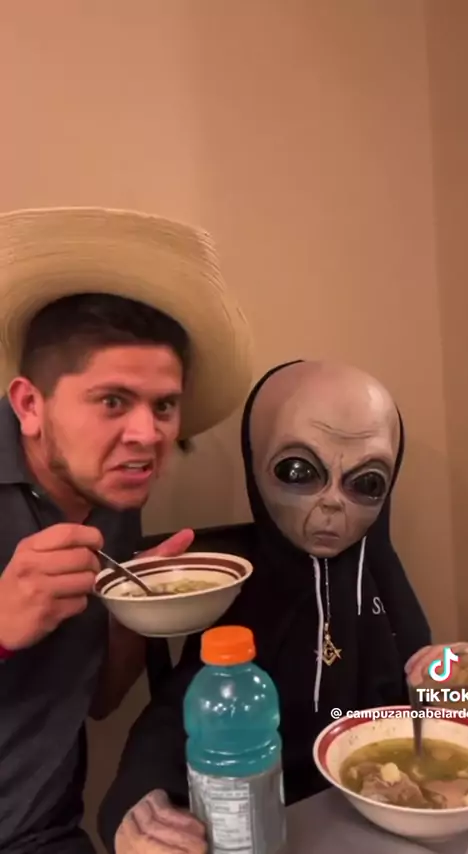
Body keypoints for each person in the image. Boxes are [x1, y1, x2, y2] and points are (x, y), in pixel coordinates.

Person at [98, 359, 431, 854]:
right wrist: (137, 800)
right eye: (299, 472)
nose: (333, 503)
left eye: (366, 483)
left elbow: (431, 704)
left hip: (377, 814)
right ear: (255, 465)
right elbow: (183, 707)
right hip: (266, 823)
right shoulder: (239, 590)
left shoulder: (379, 576)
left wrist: (459, 677)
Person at [0, 206, 253, 854]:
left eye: (163, 405)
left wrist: (137, 610)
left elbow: (101, 702)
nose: (147, 434)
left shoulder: (112, 495)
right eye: (113, 401)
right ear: (29, 405)